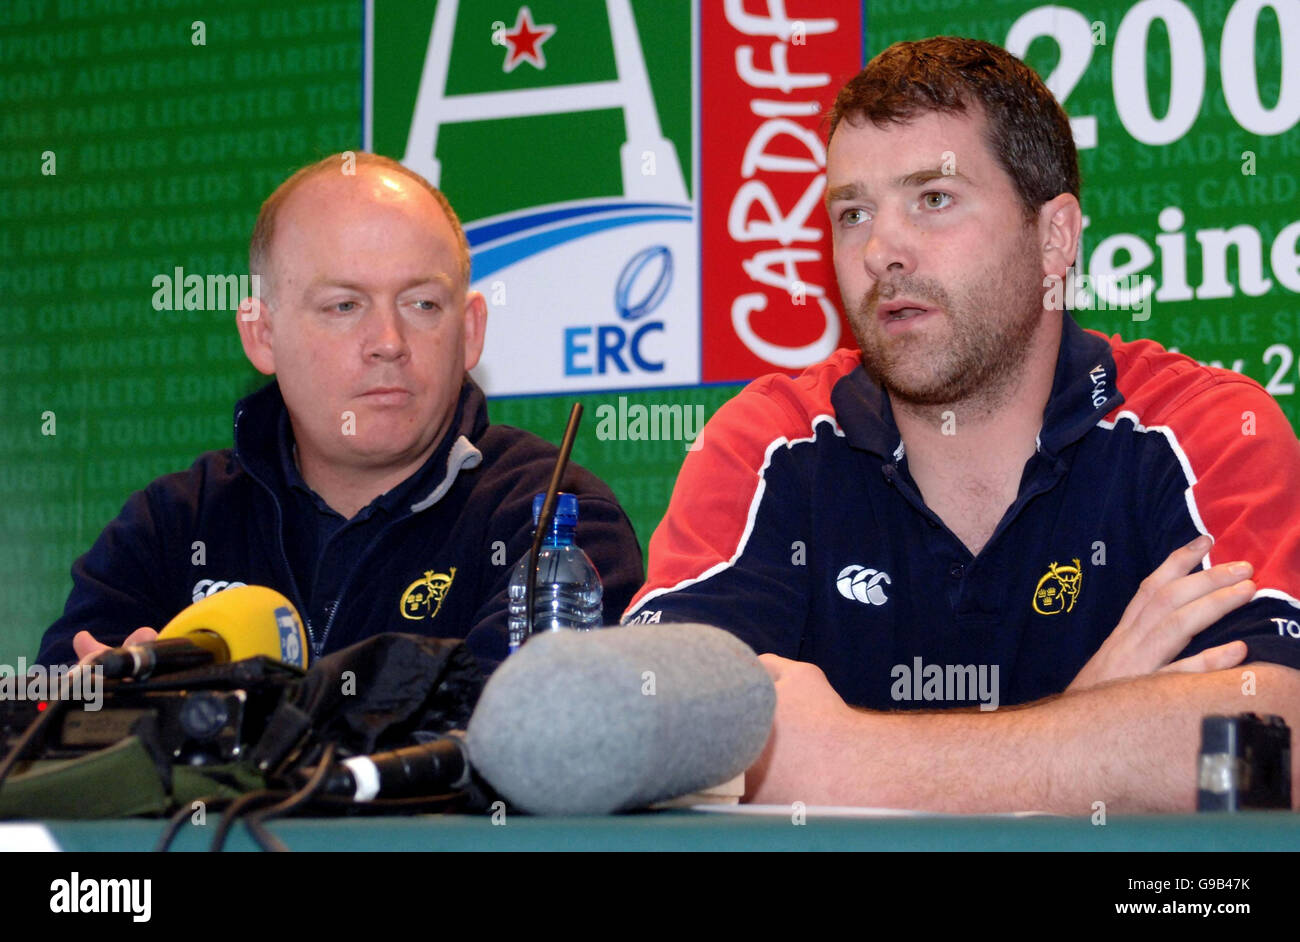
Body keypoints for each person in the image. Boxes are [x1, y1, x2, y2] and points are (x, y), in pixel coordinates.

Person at [623, 38, 1300, 811]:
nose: (880, 251)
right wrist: (1097, 721)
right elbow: (652, 732)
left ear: (1055, 240)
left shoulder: (1205, 428)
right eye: (852, 213)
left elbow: (1271, 742)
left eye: (933, 199)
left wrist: (846, 758)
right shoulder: (766, 442)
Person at [38, 152, 642, 671]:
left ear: (471, 330)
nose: (388, 339)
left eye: (424, 304)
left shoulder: (553, 522)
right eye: (344, 305)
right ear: (262, 334)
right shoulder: (171, 525)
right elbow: (46, 740)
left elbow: (506, 742)